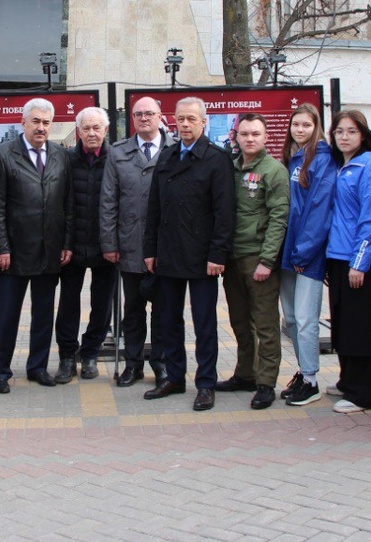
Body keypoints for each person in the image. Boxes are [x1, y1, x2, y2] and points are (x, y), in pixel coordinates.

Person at [142, 97, 235, 412]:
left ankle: (206, 383)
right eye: (180, 119)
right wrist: (150, 250)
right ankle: (174, 376)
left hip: (202, 258)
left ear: (203, 122)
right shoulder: (167, 156)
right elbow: (154, 207)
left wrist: (217, 254)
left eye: (191, 119)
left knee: (204, 324)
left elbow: (224, 213)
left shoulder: (216, 159)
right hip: (168, 253)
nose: (184, 124)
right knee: (168, 321)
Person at [0, 98, 72, 394]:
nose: (41, 127)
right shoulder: (3, 154)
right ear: (23, 123)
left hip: (50, 249)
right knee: (7, 314)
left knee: (44, 314)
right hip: (15, 251)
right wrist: (1, 248)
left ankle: (37, 367)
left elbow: (68, 204)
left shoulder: (62, 155)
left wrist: (66, 243)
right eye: (35, 121)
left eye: (46, 122)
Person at [219, 114, 289, 409]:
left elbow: (279, 217)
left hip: (258, 258)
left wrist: (267, 260)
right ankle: (245, 373)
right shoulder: (231, 169)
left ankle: (265, 382)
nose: (249, 139)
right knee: (239, 322)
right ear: (236, 136)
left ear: (265, 137)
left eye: (255, 134)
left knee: (265, 324)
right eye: (244, 134)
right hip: (233, 258)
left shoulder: (274, 171)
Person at [101, 96, 168, 388]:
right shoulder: (117, 153)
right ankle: (132, 364)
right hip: (129, 245)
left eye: (149, 113)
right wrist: (109, 243)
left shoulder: (174, 150)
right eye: (138, 114)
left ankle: (162, 364)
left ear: (159, 116)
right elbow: (108, 202)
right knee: (133, 311)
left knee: (164, 311)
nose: (144, 118)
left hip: (166, 248)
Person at [325, 110, 371, 415]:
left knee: (360, 328)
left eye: (351, 131)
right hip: (337, 257)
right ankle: (348, 381)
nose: (344, 137)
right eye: (339, 132)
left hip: (357, 262)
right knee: (343, 325)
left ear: (363, 135)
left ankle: (364, 392)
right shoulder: (342, 166)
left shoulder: (369, 168)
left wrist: (359, 263)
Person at [278, 104, 336, 407]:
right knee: (288, 320)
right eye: (295, 125)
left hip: (307, 256)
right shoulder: (293, 158)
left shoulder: (322, 160)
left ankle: (312, 380)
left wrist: (304, 251)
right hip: (288, 253)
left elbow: (319, 210)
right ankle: (304, 371)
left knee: (304, 320)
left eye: (306, 125)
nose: (299, 130)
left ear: (317, 128)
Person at [55, 106, 116, 383]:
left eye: (97, 128)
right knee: (68, 303)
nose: (91, 133)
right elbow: (61, 205)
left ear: (106, 130)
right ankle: (67, 356)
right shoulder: (65, 159)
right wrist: (64, 242)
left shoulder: (116, 159)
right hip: (73, 246)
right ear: (78, 131)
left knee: (102, 304)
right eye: (86, 128)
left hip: (107, 247)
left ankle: (90, 353)